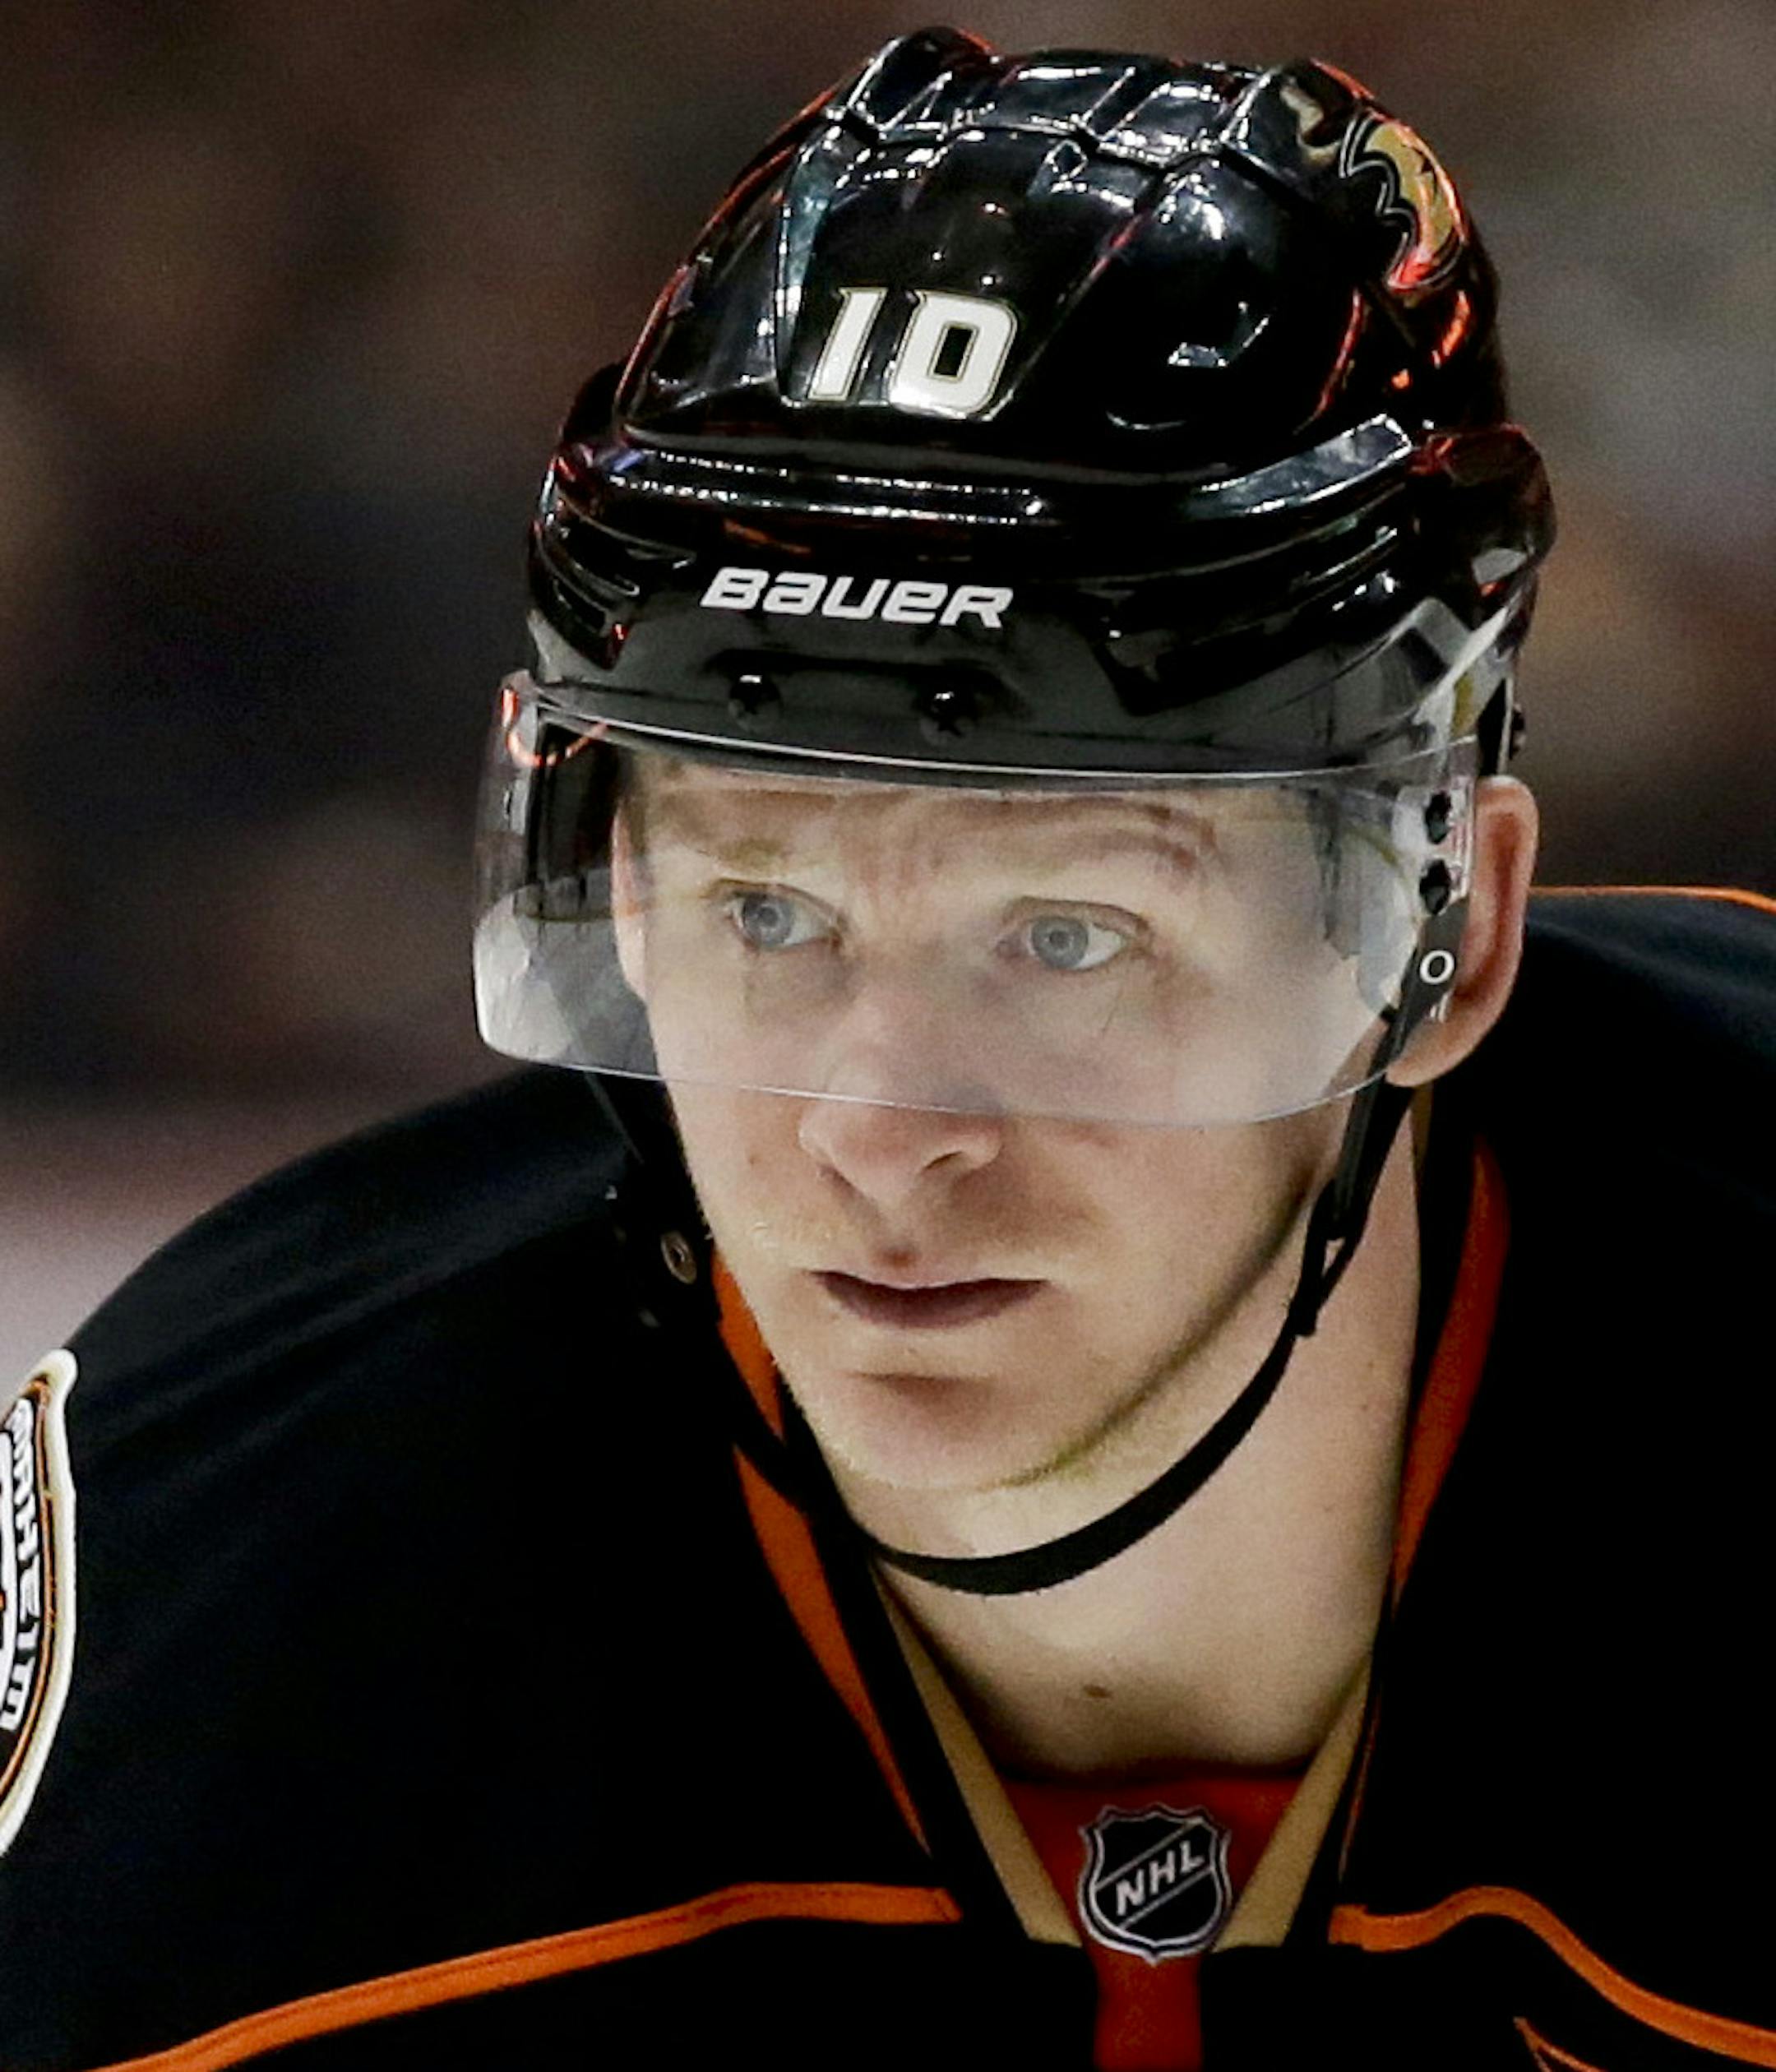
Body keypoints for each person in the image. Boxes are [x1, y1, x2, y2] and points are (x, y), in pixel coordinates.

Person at [2, 28, 1771, 2071]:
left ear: (1442, 948)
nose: (877, 1131)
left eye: (1069, 937)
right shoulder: (231, 1594)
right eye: (768, 916)